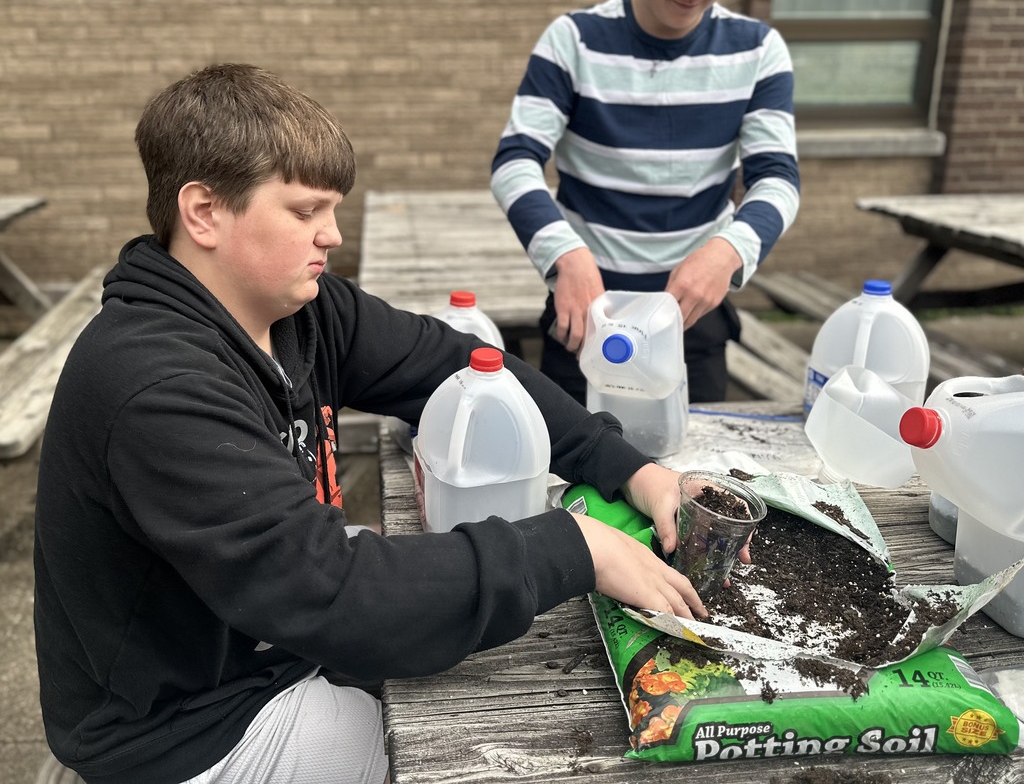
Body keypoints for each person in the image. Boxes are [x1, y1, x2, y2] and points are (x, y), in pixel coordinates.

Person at [33, 63, 710, 784]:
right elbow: (332, 590)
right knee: (472, 754)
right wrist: (573, 546)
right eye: (305, 211)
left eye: (333, 209)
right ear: (203, 212)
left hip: (265, 634)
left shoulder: (302, 309)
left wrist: (629, 468)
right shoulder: (155, 384)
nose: (331, 234)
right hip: (180, 723)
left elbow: (459, 364)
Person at [490, 0, 800, 405]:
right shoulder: (573, 40)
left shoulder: (760, 52)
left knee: (694, 461)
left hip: (693, 322)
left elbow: (777, 179)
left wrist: (728, 251)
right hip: (586, 312)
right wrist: (566, 255)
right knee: (573, 463)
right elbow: (514, 163)